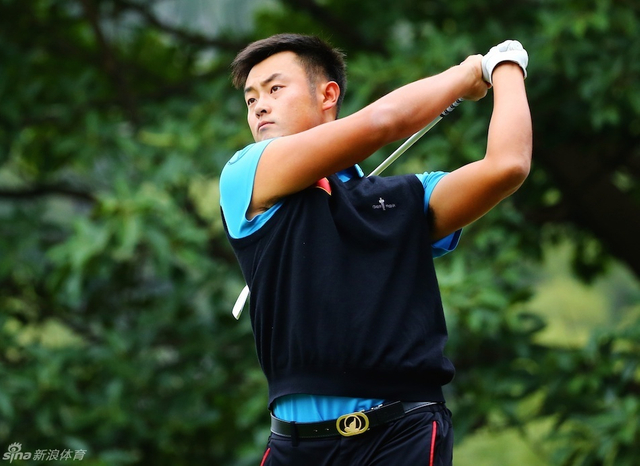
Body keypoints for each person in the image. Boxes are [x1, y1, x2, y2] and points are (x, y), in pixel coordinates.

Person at [219, 33, 531, 466]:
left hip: (402, 435)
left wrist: (506, 68)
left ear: (328, 95)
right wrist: (467, 74)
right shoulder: (246, 176)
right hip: (295, 447)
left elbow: (507, 166)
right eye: (251, 99)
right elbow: (381, 122)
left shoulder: (408, 197)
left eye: (275, 89)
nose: (259, 107)